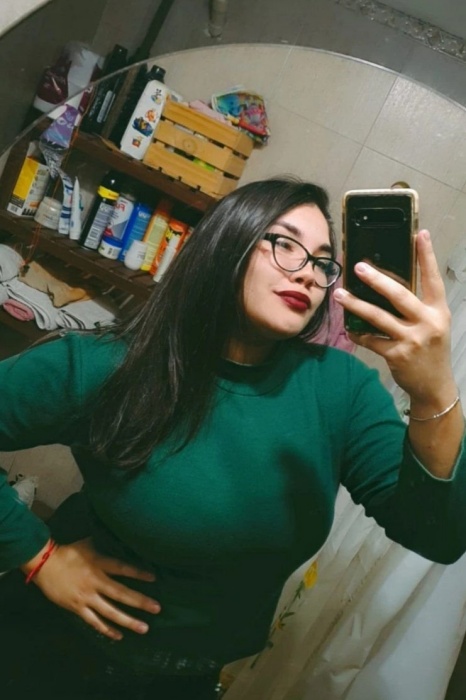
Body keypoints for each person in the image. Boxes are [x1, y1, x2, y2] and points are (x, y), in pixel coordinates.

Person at [0, 177, 465, 700]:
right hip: (47, 654)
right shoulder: (107, 364)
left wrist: (433, 389)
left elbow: (440, 536)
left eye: (322, 262)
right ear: (228, 242)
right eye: (285, 244)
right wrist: (38, 555)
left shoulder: (342, 389)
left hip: (187, 684)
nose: (308, 273)